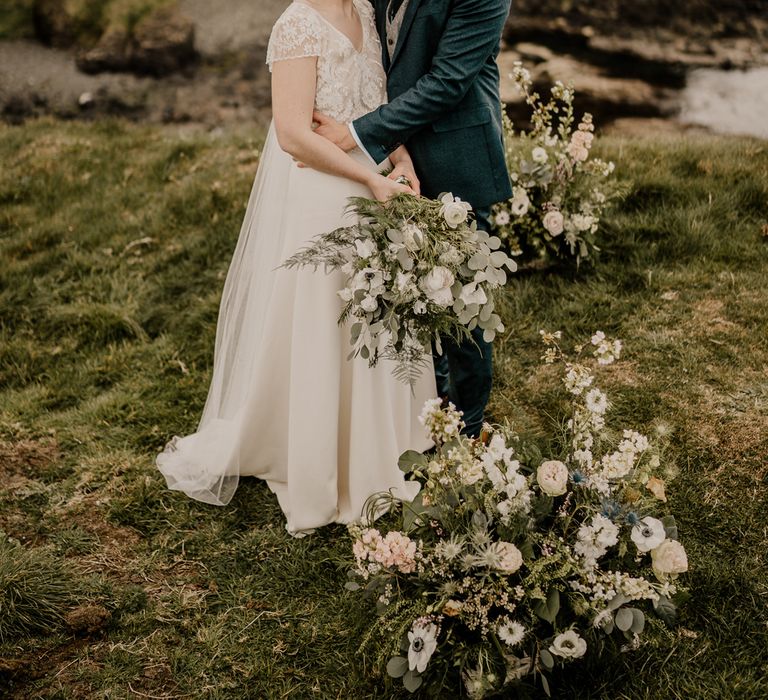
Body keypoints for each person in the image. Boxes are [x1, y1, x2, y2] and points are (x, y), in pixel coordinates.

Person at [156, 0, 436, 538]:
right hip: (323, 193)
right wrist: (371, 182)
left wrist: (400, 160)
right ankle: (322, 461)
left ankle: (384, 448)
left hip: (375, 182)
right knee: (327, 327)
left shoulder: (362, 14)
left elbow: (374, 105)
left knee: (378, 313)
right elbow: (291, 134)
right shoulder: (296, 26)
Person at [312, 0, 513, 437]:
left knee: (463, 303)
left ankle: (468, 427)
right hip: (391, 155)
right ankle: (420, 412)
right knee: (404, 288)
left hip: (454, 153)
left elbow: (448, 81)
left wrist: (356, 131)